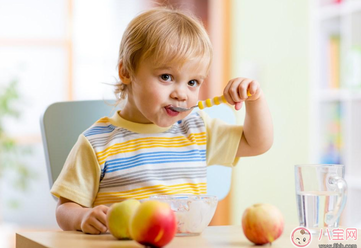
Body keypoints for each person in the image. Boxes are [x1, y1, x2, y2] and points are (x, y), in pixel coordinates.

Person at [51, 7, 273, 235]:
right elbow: (65, 208)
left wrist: (255, 100)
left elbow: (257, 143)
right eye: (166, 77)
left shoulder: (197, 129)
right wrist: (82, 217)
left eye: (193, 82)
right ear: (126, 72)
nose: (182, 94)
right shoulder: (97, 142)